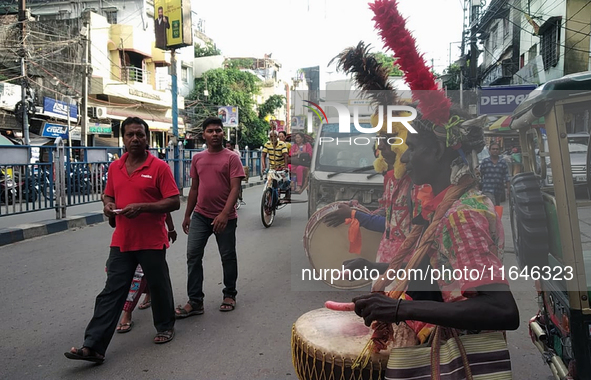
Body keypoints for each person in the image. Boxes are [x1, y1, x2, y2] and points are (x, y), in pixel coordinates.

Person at [351, 107, 519, 348]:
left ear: (438, 150)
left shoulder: (462, 215)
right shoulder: (445, 206)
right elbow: (440, 272)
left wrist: (400, 308)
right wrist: (376, 268)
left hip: (458, 357)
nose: (405, 157)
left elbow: (501, 309)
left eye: (413, 147)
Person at [65, 117, 180, 364]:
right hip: (121, 240)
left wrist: (144, 207)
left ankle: (165, 326)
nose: (135, 139)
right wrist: (108, 206)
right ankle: (93, 346)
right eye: (130, 135)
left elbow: (173, 201)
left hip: (151, 240)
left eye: (140, 134)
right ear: (123, 138)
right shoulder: (115, 167)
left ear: (147, 137)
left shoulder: (159, 167)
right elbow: (108, 194)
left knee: (159, 286)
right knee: (111, 292)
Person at [176, 117, 245, 317]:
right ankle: (195, 301)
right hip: (200, 215)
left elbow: (235, 188)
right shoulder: (198, 159)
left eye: (218, 130)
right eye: (210, 131)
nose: (215, 134)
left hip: (225, 217)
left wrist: (224, 214)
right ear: (204, 135)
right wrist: (187, 214)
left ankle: (229, 294)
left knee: (227, 256)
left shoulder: (232, 158)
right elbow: (195, 188)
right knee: (193, 256)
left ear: (223, 133)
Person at [115, 213, 177, 333]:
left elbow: (166, 208)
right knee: (141, 274)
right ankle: (148, 295)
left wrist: (171, 228)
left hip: (150, 242)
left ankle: (127, 313)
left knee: (140, 276)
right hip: (126, 241)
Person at [262, 130, 290, 199]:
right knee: (268, 183)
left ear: (277, 137)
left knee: (286, 181)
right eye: (271, 137)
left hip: (281, 167)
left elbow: (285, 156)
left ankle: (287, 194)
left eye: (274, 136)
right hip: (272, 168)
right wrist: (264, 167)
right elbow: (263, 156)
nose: (273, 138)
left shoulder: (282, 144)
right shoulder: (267, 144)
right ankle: (268, 197)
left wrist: (285, 167)